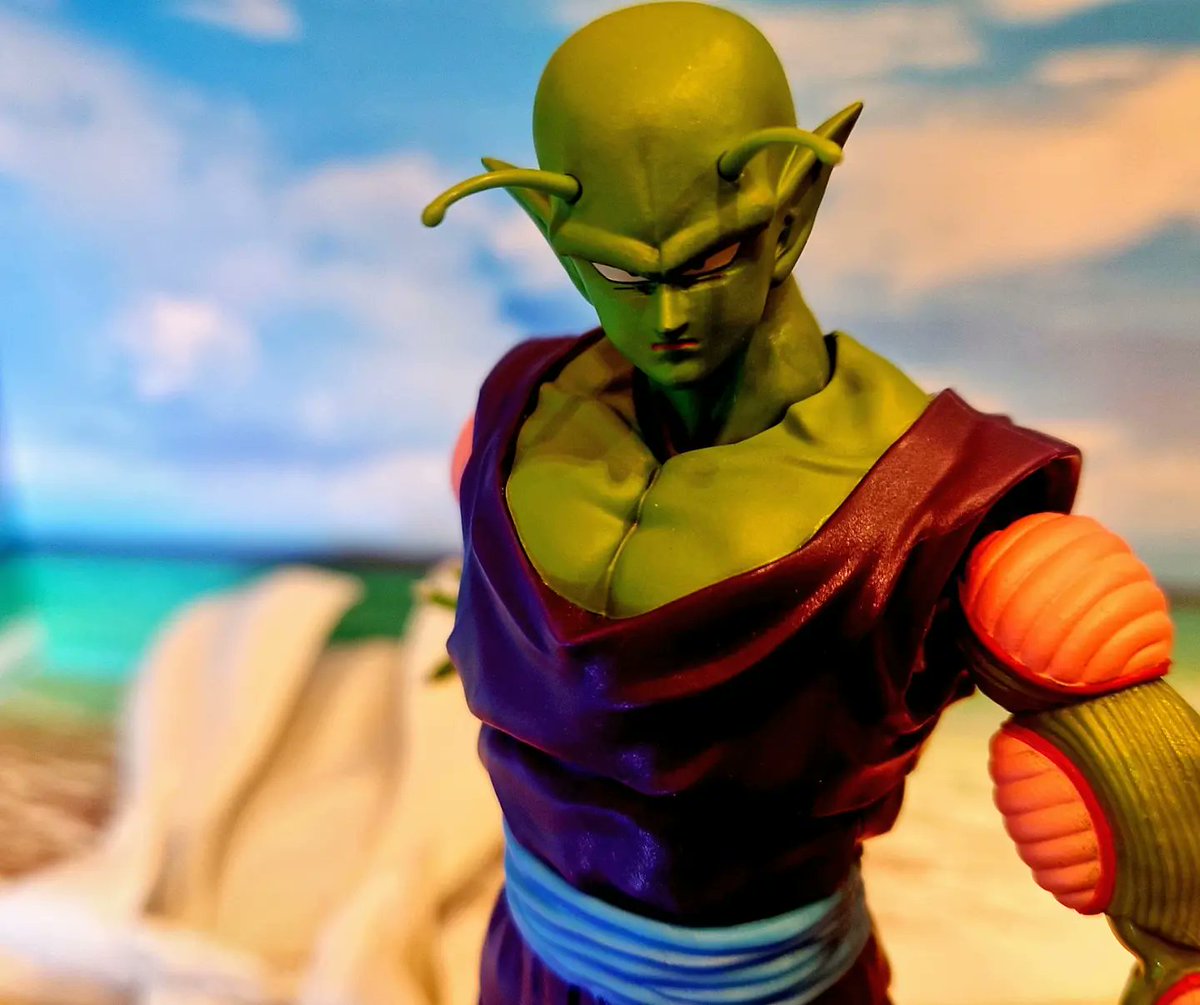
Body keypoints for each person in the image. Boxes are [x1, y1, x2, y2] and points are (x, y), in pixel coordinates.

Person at [424, 4, 1200, 1002]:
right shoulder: (508, 425)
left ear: (791, 213)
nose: (667, 316)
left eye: (709, 260)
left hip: (774, 991)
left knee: (1066, 617)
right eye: (618, 270)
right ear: (551, 232)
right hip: (525, 962)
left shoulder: (937, 504)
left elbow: (1160, 840)